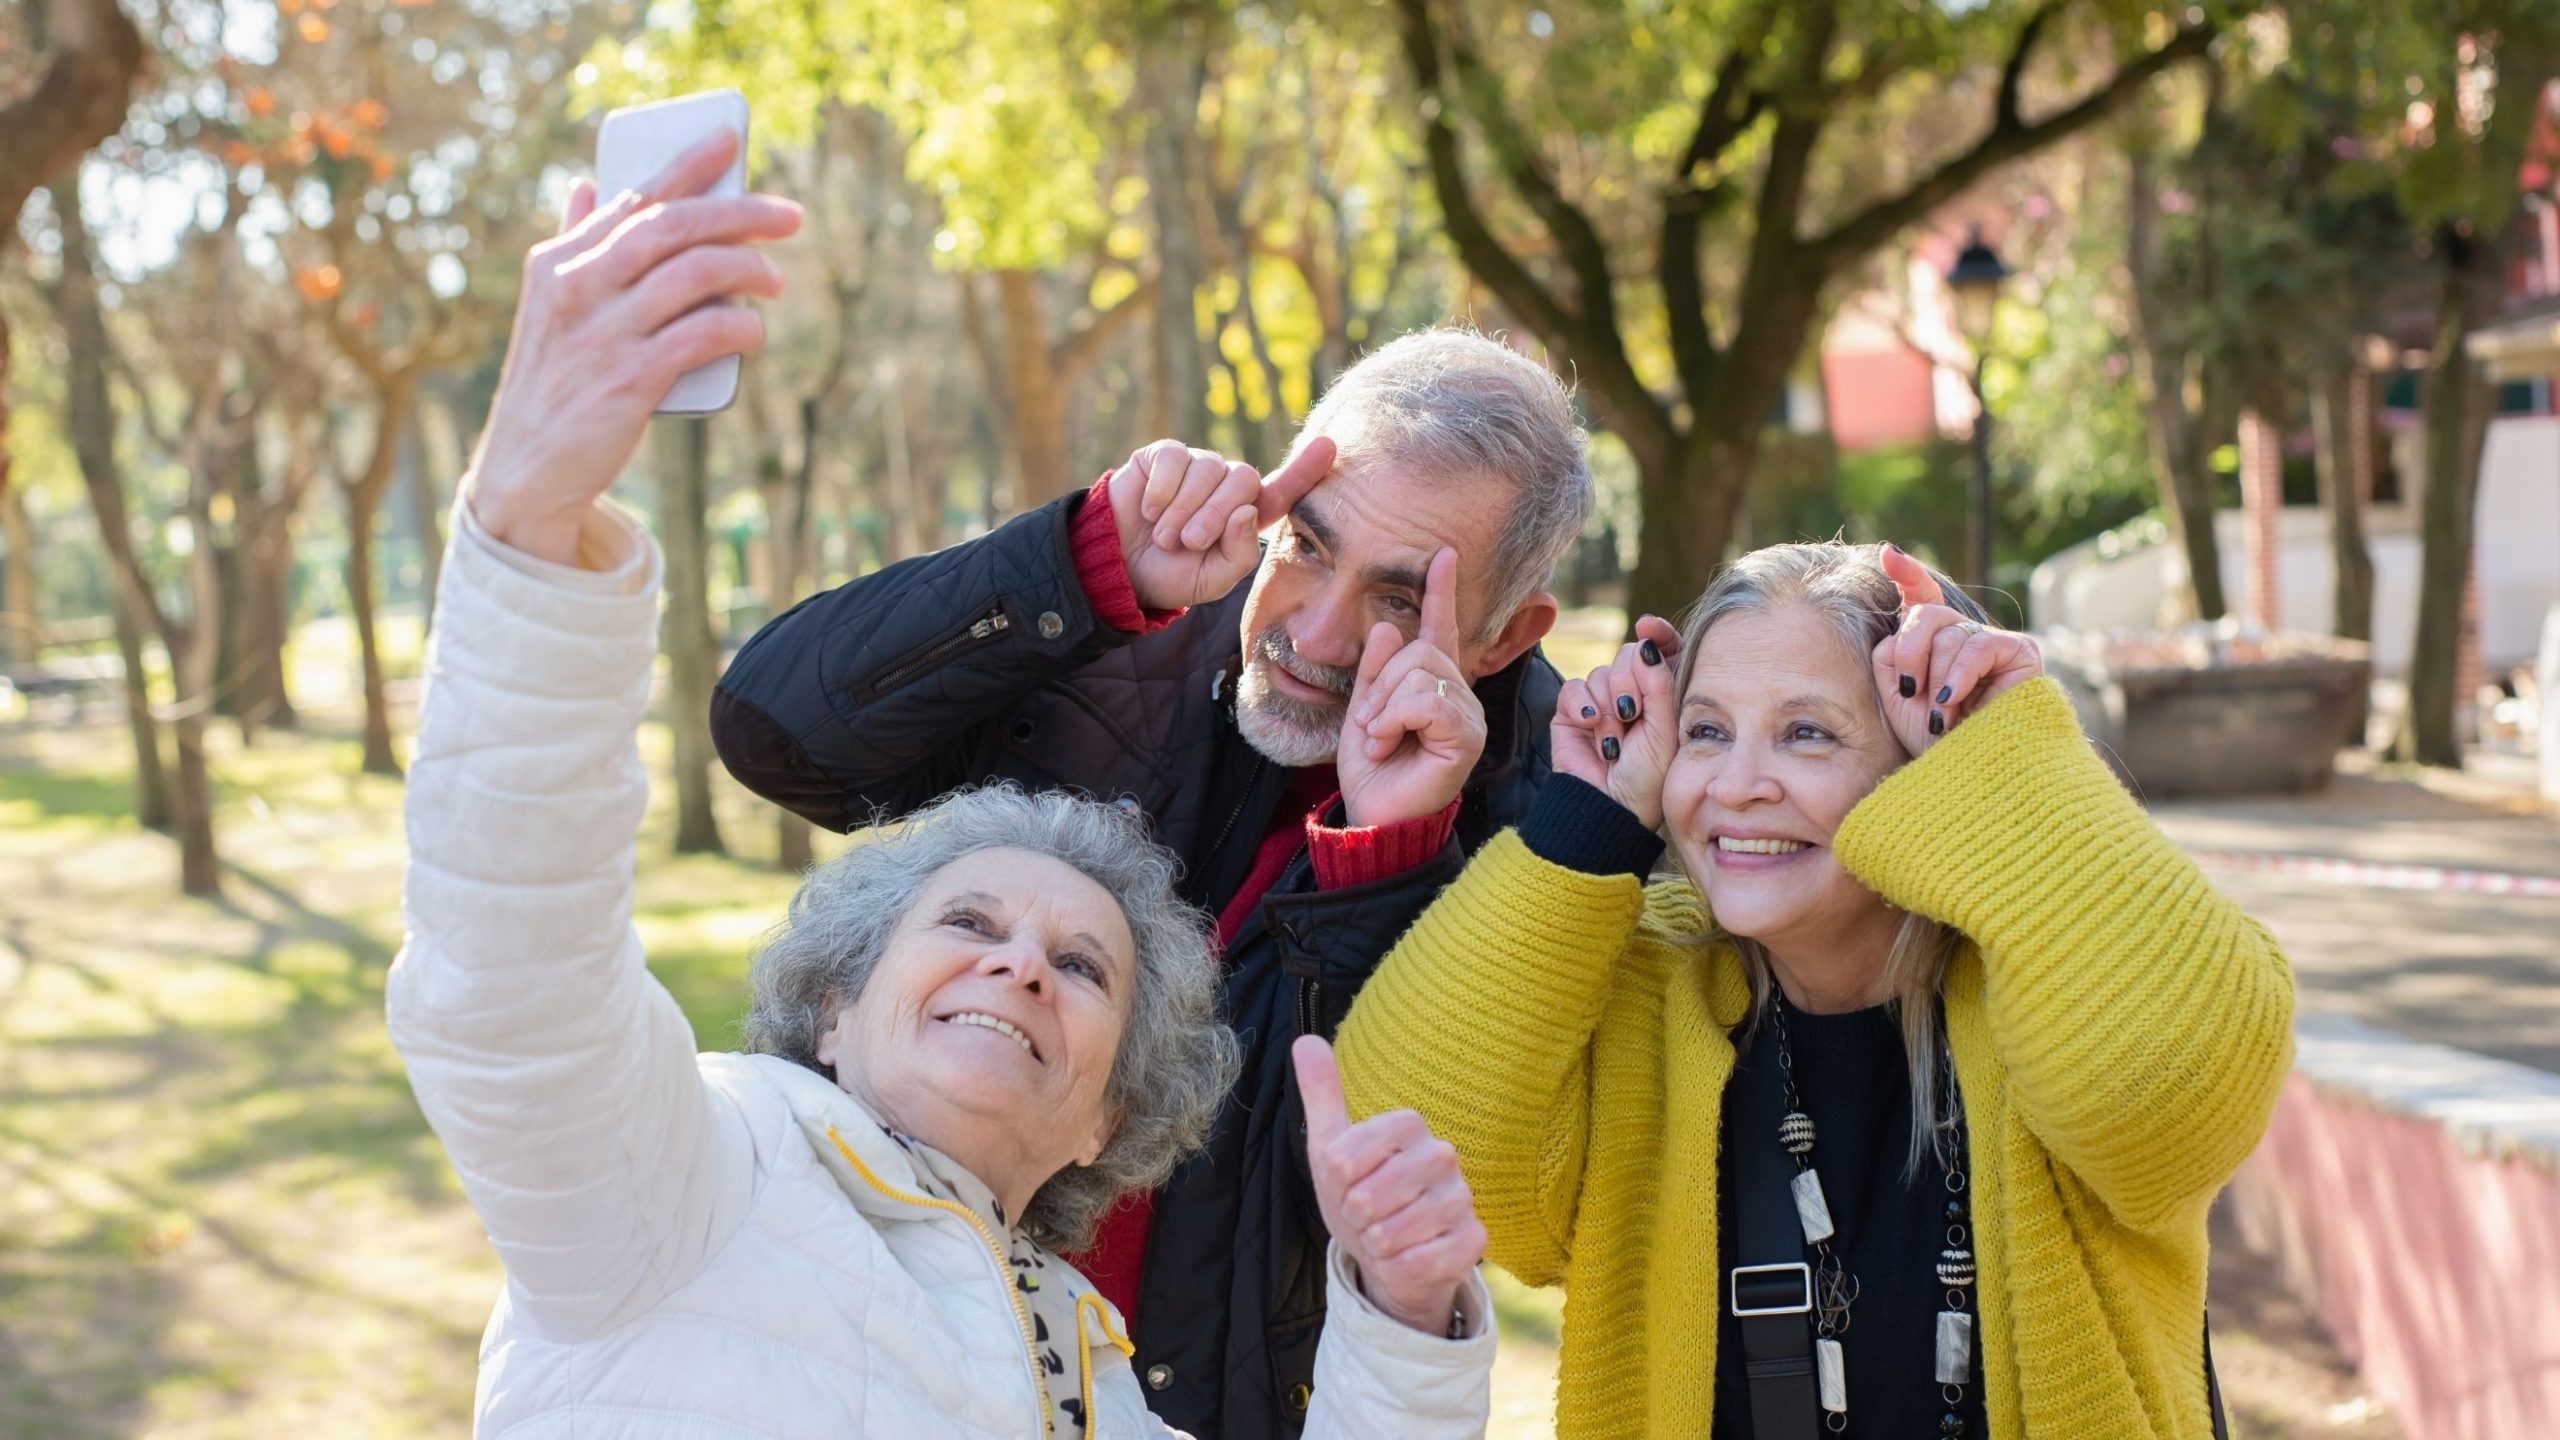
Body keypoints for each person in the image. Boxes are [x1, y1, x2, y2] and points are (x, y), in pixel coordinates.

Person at [388, 127, 1499, 1438]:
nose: (1022, 967)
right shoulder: (691, 1181)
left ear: (1110, 1121)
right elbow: (507, 989)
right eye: (969, 924)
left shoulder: (1087, 1380)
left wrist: (1406, 1323)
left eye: (1082, 968)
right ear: (832, 1016)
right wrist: (526, 522)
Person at [712, 287, 1589, 1431]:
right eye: (1308, 545)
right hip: (887, 1360)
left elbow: (1362, 1184)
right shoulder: (1117, 620)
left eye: (1394, 598)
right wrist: (1074, 565)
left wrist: (1386, 854)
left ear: (1505, 637)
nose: (1313, 635)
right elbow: (776, 735)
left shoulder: (1552, 820)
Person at [1336, 539, 2298, 1439]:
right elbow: (1407, 1133)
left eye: (1806, 733)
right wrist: (1585, 821)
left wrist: (2013, 756)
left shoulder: (2051, 980)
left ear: (1930, 762)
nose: (1738, 783)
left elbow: (2170, 1094)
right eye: (1707, 732)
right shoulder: (1647, 988)